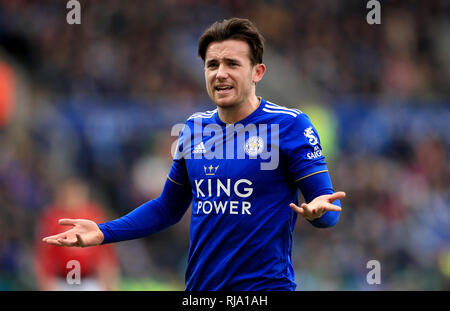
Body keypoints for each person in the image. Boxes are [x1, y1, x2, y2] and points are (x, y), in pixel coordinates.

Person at [43, 18, 345, 291]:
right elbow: (167, 209)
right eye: (212, 65)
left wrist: (318, 214)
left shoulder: (290, 125)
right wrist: (103, 232)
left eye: (232, 64)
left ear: (258, 72)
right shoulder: (194, 129)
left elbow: (327, 208)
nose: (220, 73)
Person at [36, 177, 119, 290]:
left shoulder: (93, 215)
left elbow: (105, 251)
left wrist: (109, 278)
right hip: (61, 281)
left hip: (89, 280)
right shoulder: (53, 218)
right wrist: (45, 281)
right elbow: (44, 253)